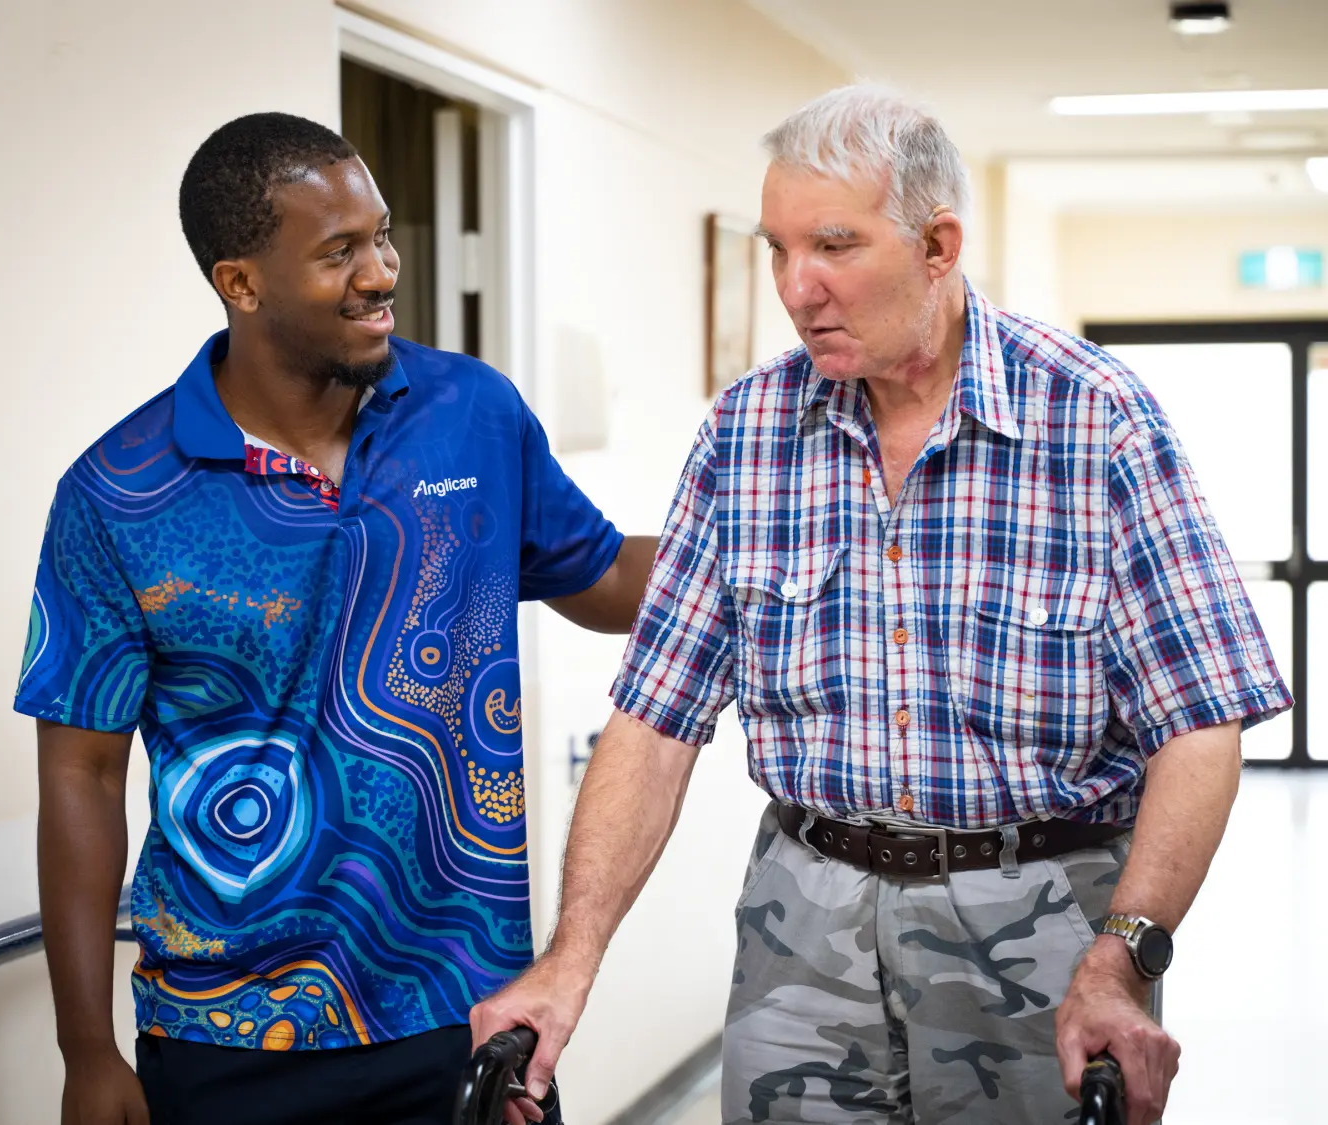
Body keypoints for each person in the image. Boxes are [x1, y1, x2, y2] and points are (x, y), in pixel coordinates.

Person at [472, 85, 1290, 1125]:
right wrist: (570, 962)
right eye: (776, 249)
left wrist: (1125, 955)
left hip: (1039, 916)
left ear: (938, 245)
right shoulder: (749, 433)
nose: (796, 287)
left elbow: (1201, 722)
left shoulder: (1095, 420)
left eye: (833, 245)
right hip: (802, 915)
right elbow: (653, 720)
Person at [16, 112, 656, 1125]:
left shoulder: (472, 414)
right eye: (339, 252)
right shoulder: (118, 492)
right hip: (222, 1033)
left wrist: (770, 529)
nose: (382, 271)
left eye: (383, 235)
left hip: (467, 1010)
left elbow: (608, 578)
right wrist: (86, 1049)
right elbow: (81, 777)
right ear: (242, 282)